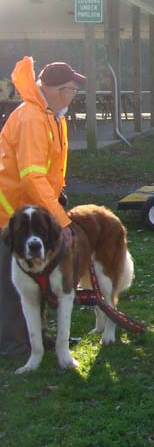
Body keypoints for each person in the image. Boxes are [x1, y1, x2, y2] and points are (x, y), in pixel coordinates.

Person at [0, 58, 84, 357]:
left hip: (30, 213)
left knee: (37, 278)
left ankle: (37, 338)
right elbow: (31, 175)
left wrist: (57, 198)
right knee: (13, 285)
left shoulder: (50, 116)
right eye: (72, 89)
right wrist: (61, 221)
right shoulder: (33, 118)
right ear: (58, 90)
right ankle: (14, 346)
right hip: (10, 214)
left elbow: (48, 173)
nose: (74, 94)